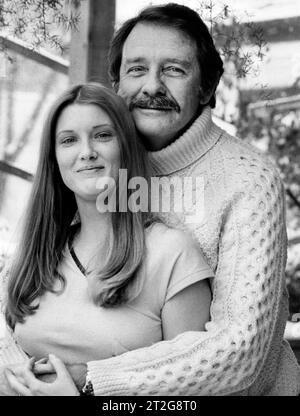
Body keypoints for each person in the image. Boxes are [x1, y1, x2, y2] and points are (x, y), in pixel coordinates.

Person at [2, 2, 300, 396]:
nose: (152, 86)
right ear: (117, 85)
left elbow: (240, 352)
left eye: (174, 69)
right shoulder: (100, 168)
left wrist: (87, 380)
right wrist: (22, 376)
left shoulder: (247, 179)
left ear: (206, 87)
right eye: (136, 69)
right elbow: (28, 277)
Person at [0, 83, 213, 395]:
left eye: (102, 135)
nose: (87, 152)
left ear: (125, 147)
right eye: (69, 140)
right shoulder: (36, 255)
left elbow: (195, 391)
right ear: (54, 160)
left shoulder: (173, 254)